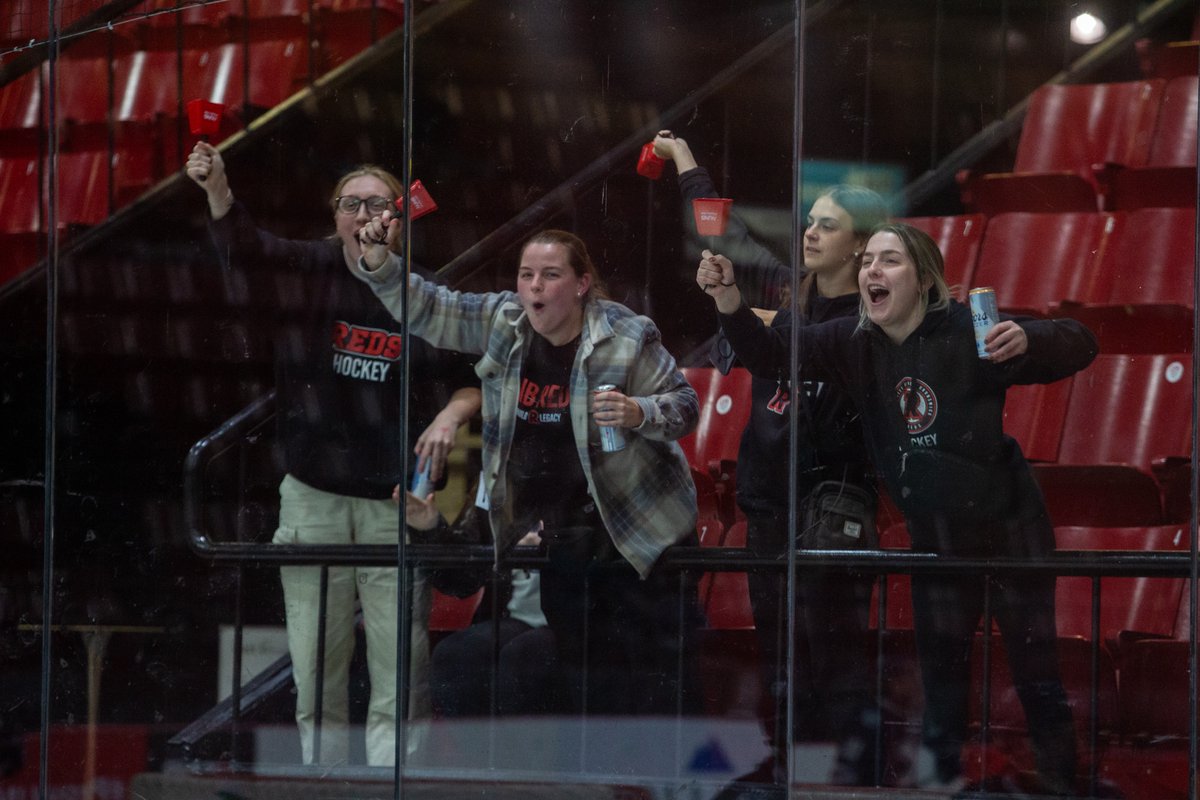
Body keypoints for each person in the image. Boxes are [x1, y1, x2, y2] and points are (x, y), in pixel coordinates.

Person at [699, 222, 1097, 796]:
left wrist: (1032, 340)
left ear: (925, 280)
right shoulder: (854, 343)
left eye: (889, 261)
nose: (871, 272)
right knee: (942, 685)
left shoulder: (968, 328)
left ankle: (1062, 787)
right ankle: (944, 788)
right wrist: (729, 298)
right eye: (867, 262)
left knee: (1037, 678)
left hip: (1012, 529)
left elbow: (1082, 341)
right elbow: (766, 351)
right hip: (935, 536)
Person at [185, 142, 482, 767]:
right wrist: (218, 191)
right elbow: (246, 250)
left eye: (377, 204)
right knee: (317, 669)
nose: (364, 215)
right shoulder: (310, 268)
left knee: (400, 672)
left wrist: (452, 415)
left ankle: (389, 783)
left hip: (393, 504)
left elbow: (475, 373)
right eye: (351, 205)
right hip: (314, 498)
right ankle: (322, 782)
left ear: (401, 218)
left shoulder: (423, 295)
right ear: (336, 218)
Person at [352, 221, 703, 734]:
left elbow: (687, 408)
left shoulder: (627, 335)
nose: (534, 286)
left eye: (550, 275)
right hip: (566, 542)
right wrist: (382, 266)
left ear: (582, 284)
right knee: (575, 691)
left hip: (642, 542)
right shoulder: (505, 321)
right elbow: (431, 309)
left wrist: (638, 412)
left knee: (641, 699)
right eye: (526, 275)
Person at [656, 132, 890, 790]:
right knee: (784, 662)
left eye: (827, 225)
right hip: (769, 508)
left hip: (832, 509)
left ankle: (838, 784)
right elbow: (718, 231)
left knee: (834, 665)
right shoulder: (785, 291)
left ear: (860, 244)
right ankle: (793, 777)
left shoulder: (877, 321)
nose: (810, 232)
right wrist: (684, 159)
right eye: (810, 222)